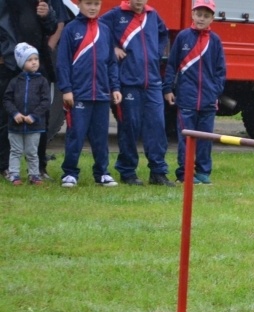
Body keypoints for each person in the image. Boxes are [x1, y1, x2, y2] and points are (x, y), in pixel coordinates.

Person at [100, 0, 172, 186]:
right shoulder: (115, 15)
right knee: (129, 128)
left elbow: (163, 34)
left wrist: (155, 53)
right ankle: (127, 172)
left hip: (153, 82)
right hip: (128, 83)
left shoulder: (152, 15)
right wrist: (112, 48)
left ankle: (158, 172)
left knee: (157, 127)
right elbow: (96, 31)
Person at [55, 0, 122, 187]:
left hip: (101, 94)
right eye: (88, 3)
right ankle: (69, 173)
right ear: (80, 4)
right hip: (78, 94)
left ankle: (102, 173)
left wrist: (115, 87)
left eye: (96, 4)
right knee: (75, 135)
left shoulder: (105, 30)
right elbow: (63, 62)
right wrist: (67, 89)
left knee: (101, 137)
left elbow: (111, 63)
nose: (92, 7)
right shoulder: (70, 29)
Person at [163, 0, 226, 185]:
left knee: (205, 139)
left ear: (212, 18)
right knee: (186, 139)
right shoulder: (183, 37)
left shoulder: (215, 41)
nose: (201, 19)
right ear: (192, 14)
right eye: (199, 15)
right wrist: (168, 88)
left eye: (206, 16)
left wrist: (215, 91)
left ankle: (203, 172)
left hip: (208, 101)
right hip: (186, 99)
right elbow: (172, 65)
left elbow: (221, 71)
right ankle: (184, 173)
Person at [0, 0, 57, 181]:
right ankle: (6, 167)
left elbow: (51, 27)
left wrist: (47, 15)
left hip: (37, 67)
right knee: (6, 118)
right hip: (9, 66)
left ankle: (39, 168)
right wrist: (6, 56)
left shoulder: (41, 1)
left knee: (41, 117)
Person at [3, 42, 50, 185]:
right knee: (15, 151)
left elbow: (45, 101)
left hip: (34, 125)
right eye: (29, 60)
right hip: (15, 125)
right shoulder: (15, 81)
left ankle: (34, 174)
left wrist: (33, 116)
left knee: (32, 151)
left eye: (36, 59)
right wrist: (15, 113)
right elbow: (7, 100)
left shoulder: (42, 81)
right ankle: (14, 174)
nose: (34, 62)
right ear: (22, 63)